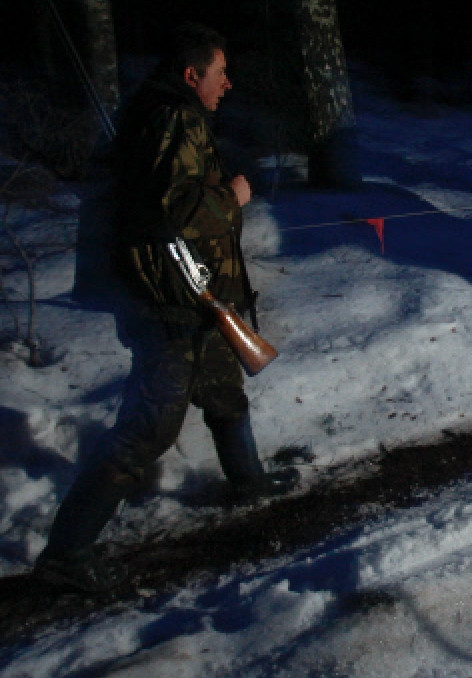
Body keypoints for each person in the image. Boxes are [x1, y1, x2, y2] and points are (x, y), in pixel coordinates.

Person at [35, 23, 297, 593]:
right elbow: (175, 209)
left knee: (225, 389)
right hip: (169, 304)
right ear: (190, 75)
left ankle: (248, 482)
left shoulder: (161, 113)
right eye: (219, 73)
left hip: (193, 296)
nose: (227, 84)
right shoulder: (175, 117)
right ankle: (66, 554)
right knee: (145, 432)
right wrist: (234, 198)